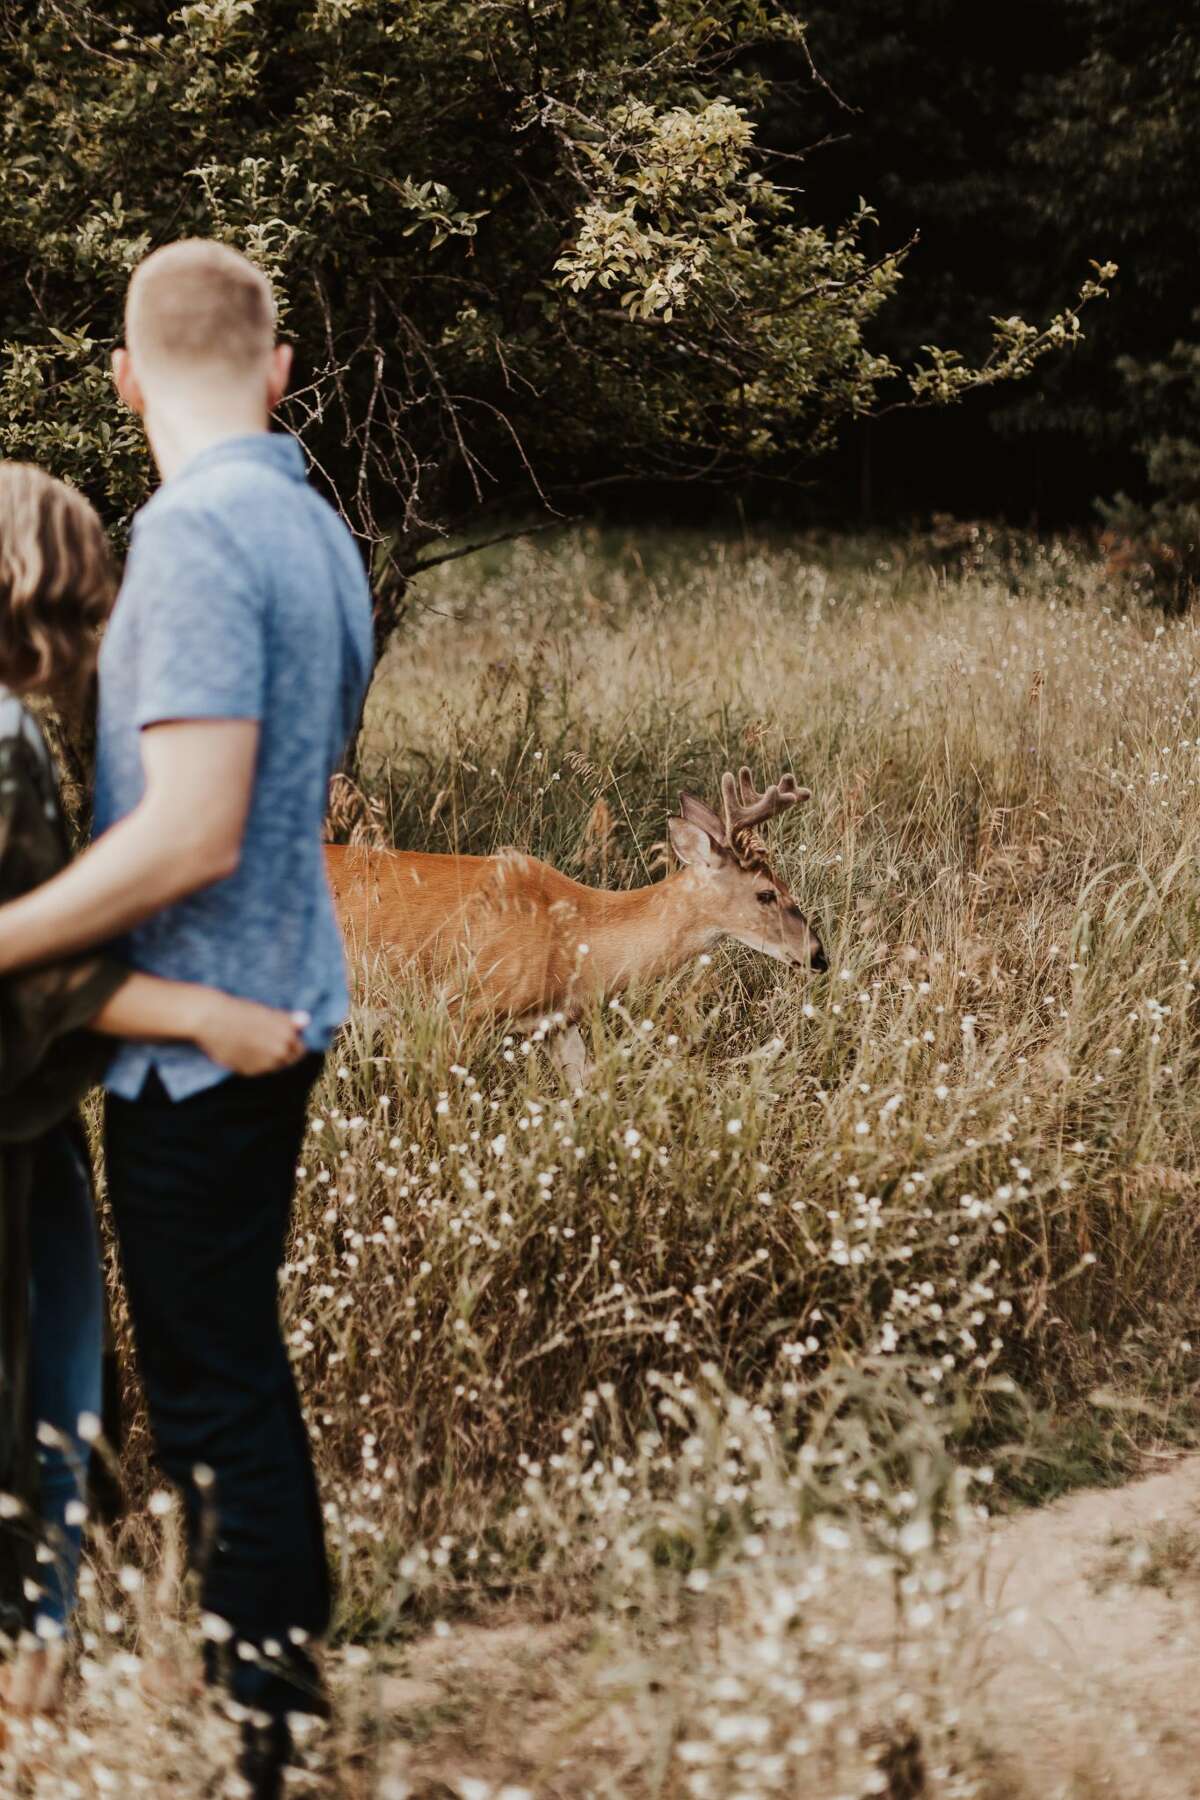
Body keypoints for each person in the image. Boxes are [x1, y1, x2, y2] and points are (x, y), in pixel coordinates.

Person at [0, 241, 373, 1795]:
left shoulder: (204, 537)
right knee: (232, 1369)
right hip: (271, 993)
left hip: (206, 1041)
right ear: (279, 368)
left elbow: (200, 826)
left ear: (124, 377)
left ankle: (264, 1732)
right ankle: (272, 1695)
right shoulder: (319, 532)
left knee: (214, 1387)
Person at [0, 462, 310, 1716]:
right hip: (16, 1143)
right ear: (49, 604)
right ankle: (35, 1665)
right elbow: (42, 976)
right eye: (89, 612)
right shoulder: (11, 745)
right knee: (45, 1402)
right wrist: (212, 1016)